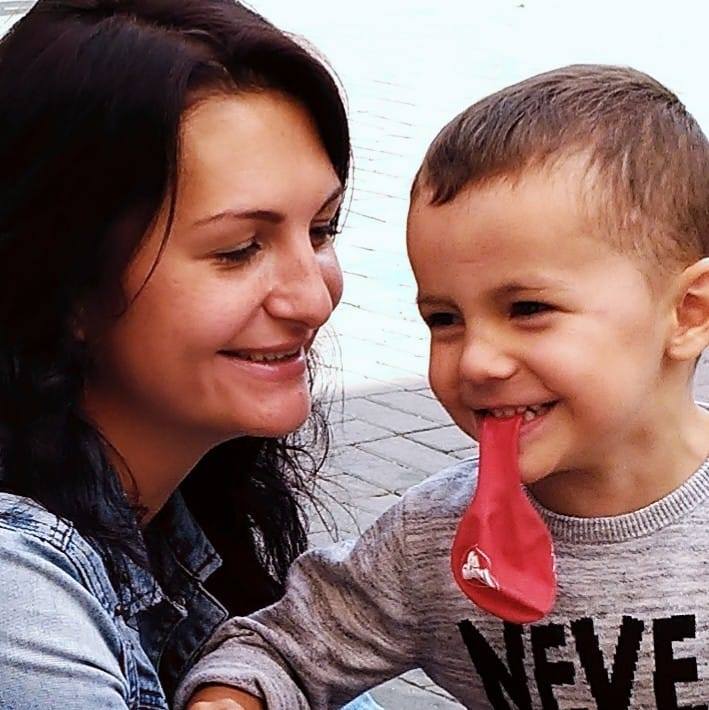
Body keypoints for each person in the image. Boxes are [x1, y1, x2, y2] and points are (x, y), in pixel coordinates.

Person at [178, 65, 709, 709]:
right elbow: (279, 653)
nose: (478, 362)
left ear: (688, 314)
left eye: (528, 309)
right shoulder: (431, 542)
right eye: (444, 319)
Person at [0, 1, 381, 708]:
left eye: (321, 231)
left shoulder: (182, 537)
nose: (313, 298)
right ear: (66, 283)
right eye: (239, 250)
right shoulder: (20, 598)